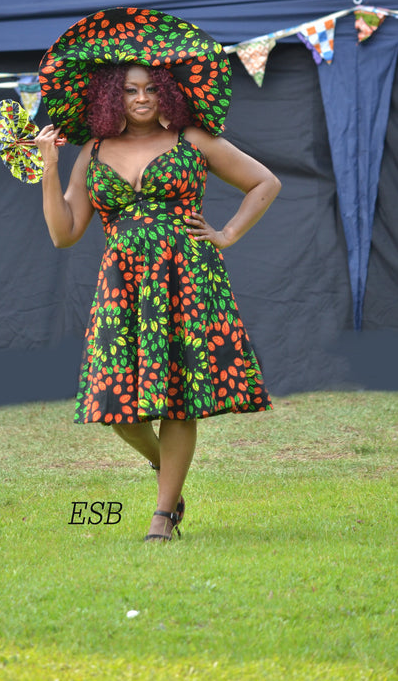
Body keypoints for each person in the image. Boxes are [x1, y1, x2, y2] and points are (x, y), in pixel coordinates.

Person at [34, 62, 281, 542]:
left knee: (178, 401)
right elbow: (63, 233)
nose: (141, 98)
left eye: (150, 89)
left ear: (166, 92)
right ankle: (165, 468)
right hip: (123, 285)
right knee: (119, 410)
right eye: (129, 90)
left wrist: (227, 233)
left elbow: (264, 182)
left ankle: (162, 517)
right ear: (113, 96)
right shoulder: (95, 150)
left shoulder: (193, 139)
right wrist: (49, 168)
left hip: (186, 279)